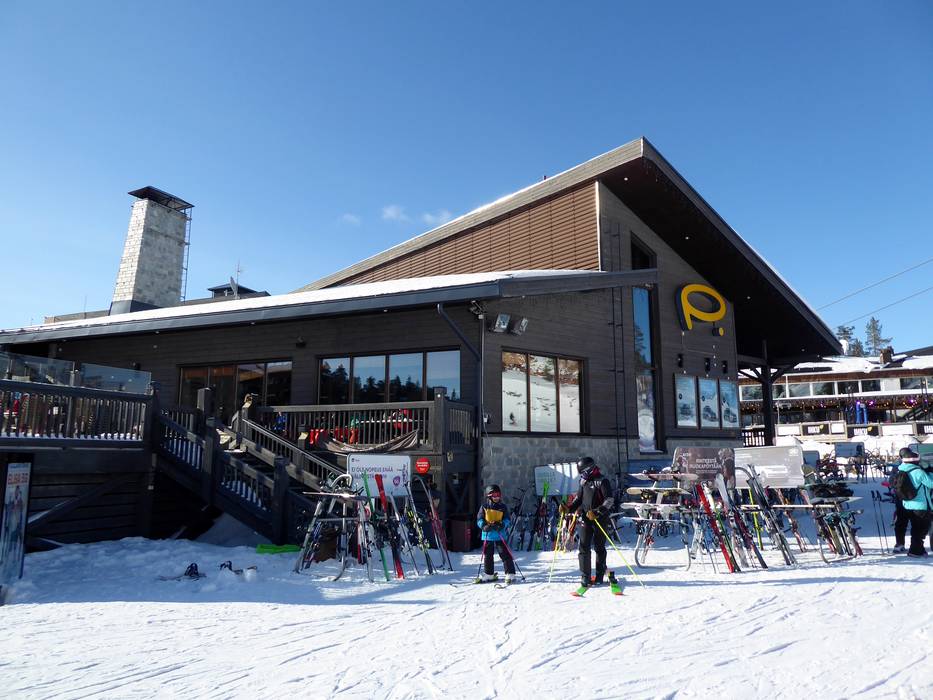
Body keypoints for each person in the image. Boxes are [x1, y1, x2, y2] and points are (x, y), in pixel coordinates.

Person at [563, 456, 615, 587]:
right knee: (583, 547)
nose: (582, 475)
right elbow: (579, 499)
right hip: (585, 519)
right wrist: (568, 508)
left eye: (583, 472)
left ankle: (599, 575)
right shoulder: (583, 481)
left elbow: (609, 500)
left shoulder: (602, 481)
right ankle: (585, 576)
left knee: (599, 547)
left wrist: (597, 512)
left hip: (599, 519)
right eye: (581, 473)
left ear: (590, 469)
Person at [895, 447, 933, 558]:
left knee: (915, 528)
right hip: (920, 505)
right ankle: (915, 551)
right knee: (920, 530)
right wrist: (930, 472)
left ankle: (918, 549)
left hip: (907, 504)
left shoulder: (901, 470)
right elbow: (931, 484)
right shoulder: (918, 472)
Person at [475, 484, 516, 583]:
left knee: (504, 553)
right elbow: (479, 519)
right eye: (494, 495)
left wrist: (502, 524)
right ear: (489, 496)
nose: (497, 497)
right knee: (488, 555)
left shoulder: (502, 507)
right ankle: (489, 574)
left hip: (499, 534)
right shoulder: (484, 507)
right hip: (488, 535)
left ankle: (510, 573)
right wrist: (484, 526)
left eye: (498, 495)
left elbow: (507, 519)